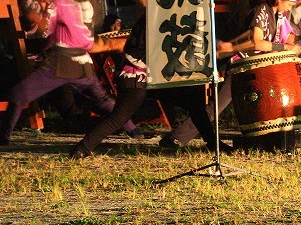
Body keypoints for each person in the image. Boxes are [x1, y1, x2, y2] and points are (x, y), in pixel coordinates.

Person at [159, 0, 301, 148]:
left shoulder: (281, 15)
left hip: (261, 68)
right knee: (217, 107)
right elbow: (257, 43)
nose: (289, 8)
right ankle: (175, 138)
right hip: (241, 67)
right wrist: (287, 47)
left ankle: (271, 138)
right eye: (288, 4)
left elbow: (289, 37)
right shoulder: (261, 11)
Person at [1, 0, 140, 145]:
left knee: (18, 95)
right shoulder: (86, 0)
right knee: (103, 101)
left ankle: (2, 137)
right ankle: (134, 131)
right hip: (82, 61)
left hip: (60, 63)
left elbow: (47, 27)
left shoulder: (64, 0)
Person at [70, 15, 230, 158]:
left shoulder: (166, 15)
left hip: (157, 77)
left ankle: (214, 144)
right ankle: (82, 149)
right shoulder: (154, 18)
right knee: (119, 117)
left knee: (194, 104)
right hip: (136, 74)